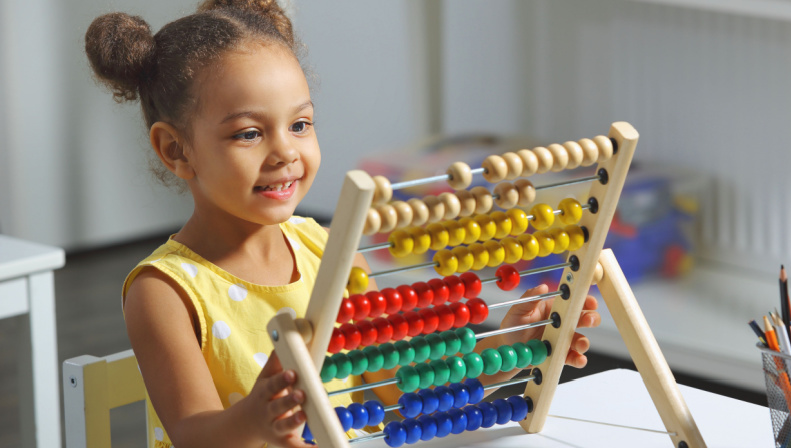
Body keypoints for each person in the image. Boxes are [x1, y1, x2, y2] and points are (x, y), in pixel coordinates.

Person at [85, 1, 600, 447]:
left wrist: (508, 348)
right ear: (175, 149)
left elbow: (396, 395)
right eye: (248, 134)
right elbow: (194, 436)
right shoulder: (164, 292)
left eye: (300, 124)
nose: (285, 151)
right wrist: (256, 419)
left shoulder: (325, 251)